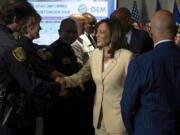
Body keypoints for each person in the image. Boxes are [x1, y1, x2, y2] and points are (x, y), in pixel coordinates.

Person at [56, 18, 134, 135]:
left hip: (119, 122)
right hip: (98, 121)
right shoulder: (96, 55)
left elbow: (134, 91)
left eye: (101, 32)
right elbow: (81, 76)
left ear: (113, 34)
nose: (96, 35)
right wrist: (63, 81)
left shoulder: (126, 57)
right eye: (97, 31)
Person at [0, 1, 64, 135]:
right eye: (24, 20)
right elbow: (31, 84)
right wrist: (56, 86)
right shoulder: (12, 46)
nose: (25, 24)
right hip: (9, 112)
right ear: (15, 19)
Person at [121, 10, 180, 135]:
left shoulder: (140, 63)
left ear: (150, 31)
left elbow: (127, 107)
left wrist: (136, 130)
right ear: (175, 31)